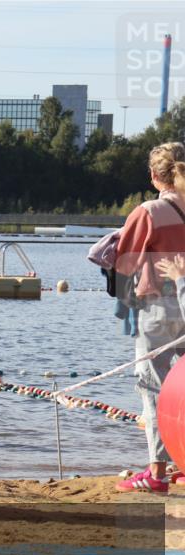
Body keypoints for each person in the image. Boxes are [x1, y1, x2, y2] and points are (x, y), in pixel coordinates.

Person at [113, 142, 185, 493]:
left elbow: (123, 264)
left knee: (153, 388)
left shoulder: (150, 211)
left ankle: (157, 472)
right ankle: (183, 465)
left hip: (158, 306)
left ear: (155, 175)